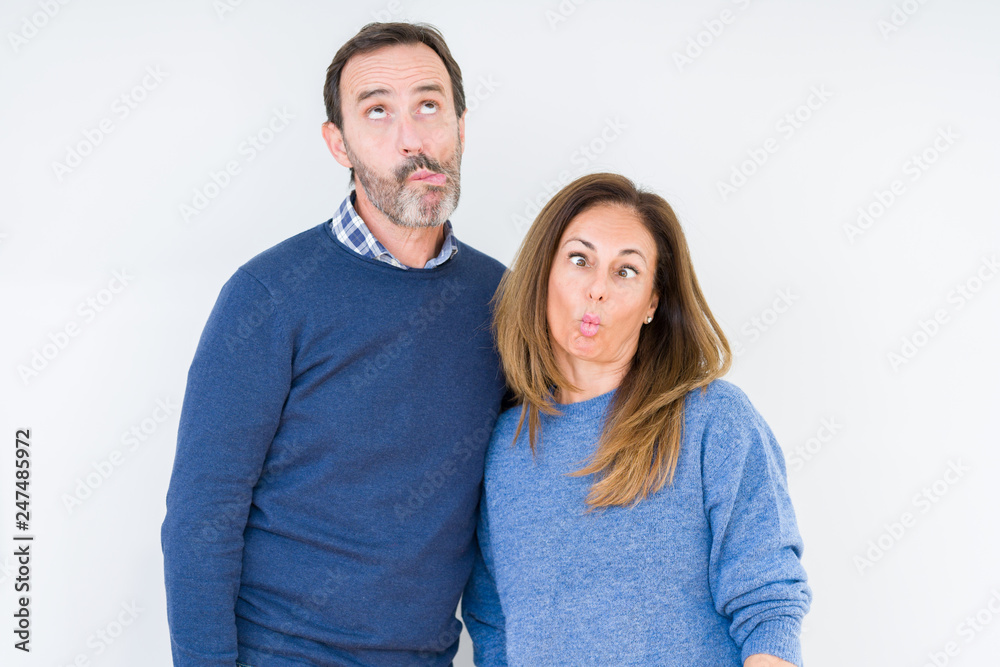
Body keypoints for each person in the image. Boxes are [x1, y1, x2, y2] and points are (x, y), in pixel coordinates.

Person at [161, 22, 508, 666]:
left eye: (429, 106)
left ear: (461, 124)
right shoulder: (267, 295)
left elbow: (509, 514)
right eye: (377, 112)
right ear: (338, 143)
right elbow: (201, 521)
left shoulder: (503, 302)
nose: (412, 140)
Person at [461, 173, 811, 666]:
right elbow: (494, 624)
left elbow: (768, 608)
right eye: (579, 261)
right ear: (543, 276)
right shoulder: (502, 446)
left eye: (625, 271)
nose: (596, 290)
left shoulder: (714, 421)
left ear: (653, 302)